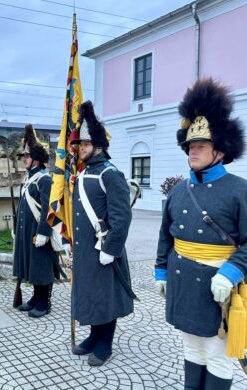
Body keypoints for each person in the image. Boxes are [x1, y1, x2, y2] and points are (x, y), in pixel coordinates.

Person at [155, 79, 247, 389]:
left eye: (200, 146)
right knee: (191, 347)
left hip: (218, 285)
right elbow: (165, 236)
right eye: (190, 146)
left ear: (220, 151)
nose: (193, 151)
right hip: (183, 281)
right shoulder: (179, 191)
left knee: (217, 354)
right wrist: (161, 271)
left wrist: (231, 272)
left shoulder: (239, 191)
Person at [69, 101, 134, 367]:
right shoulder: (84, 173)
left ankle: (105, 342)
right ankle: (94, 336)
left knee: (105, 296)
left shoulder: (111, 174)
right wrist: (67, 240)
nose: (80, 148)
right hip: (85, 249)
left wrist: (110, 249)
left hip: (105, 248)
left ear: (98, 146)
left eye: (85, 144)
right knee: (91, 294)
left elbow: (122, 217)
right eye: (79, 145)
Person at [13, 124, 62, 318]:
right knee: (32, 266)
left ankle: (44, 302)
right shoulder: (28, 179)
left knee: (42, 267)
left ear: (36, 159)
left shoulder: (44, 179)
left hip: (39, 232)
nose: (23, 159)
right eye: (23, 156)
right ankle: (35, 298)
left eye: (26, 156)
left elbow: (49, 210)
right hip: (27, 231)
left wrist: (44, 232)